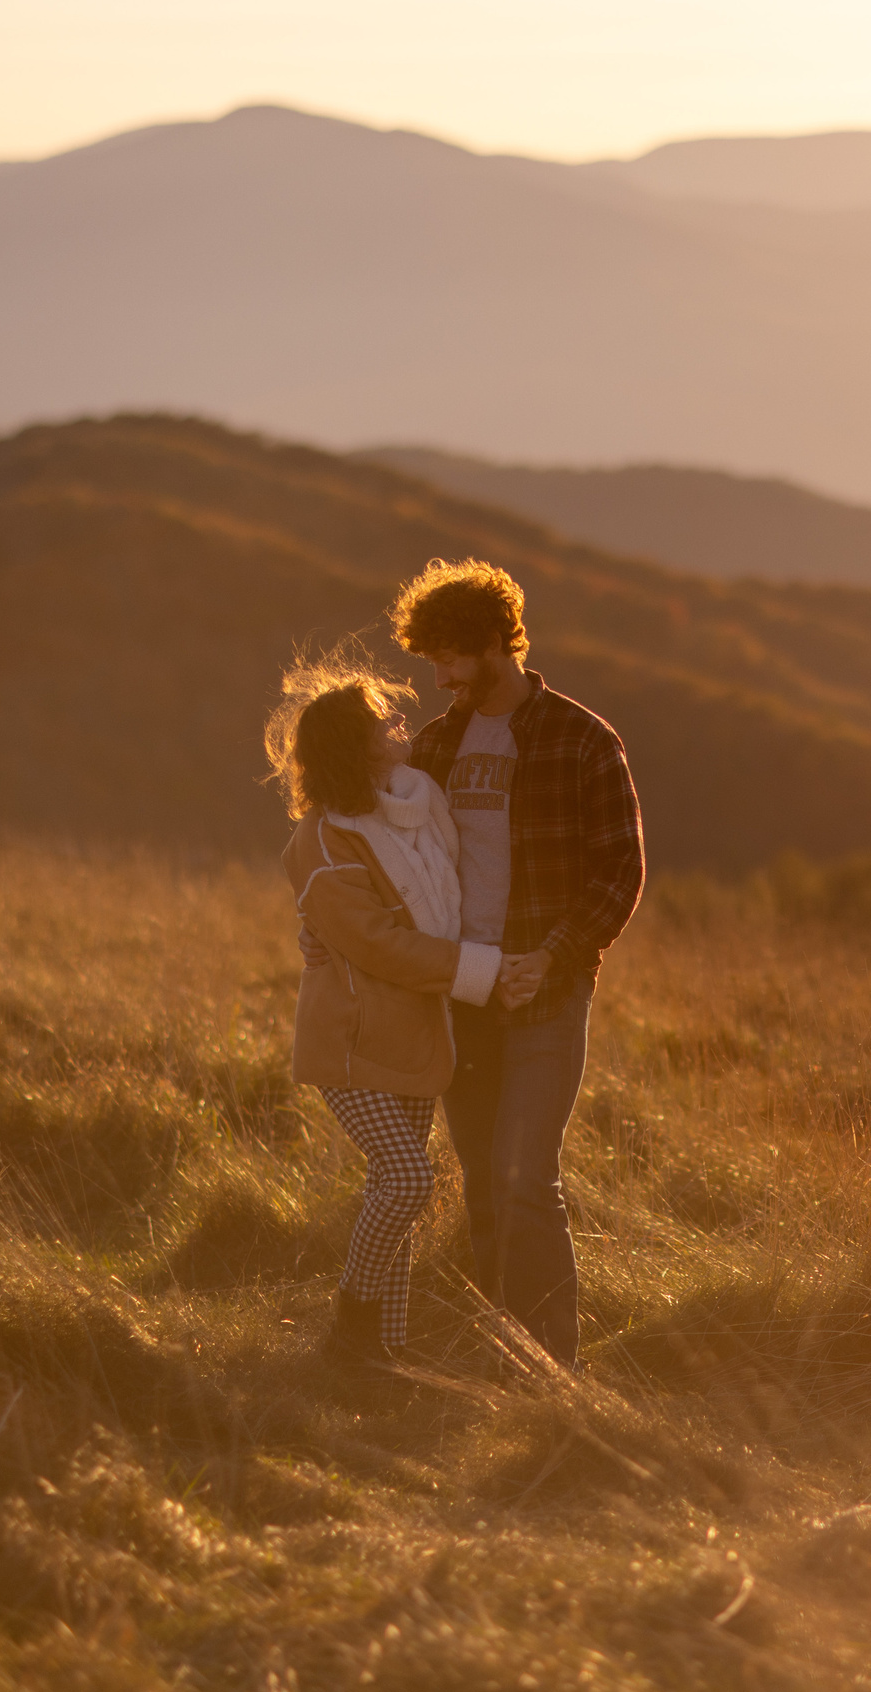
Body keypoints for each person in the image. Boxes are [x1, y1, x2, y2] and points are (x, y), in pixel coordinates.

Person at [305, 557, 644, 1370]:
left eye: (453, 658)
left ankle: (550, 1368)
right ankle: (500, 1350)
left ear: (499, 643)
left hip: (546, 993)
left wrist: (553, 956)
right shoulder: (435, 745)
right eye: (432, 660)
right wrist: (316, 919)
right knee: (487, 1186)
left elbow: (619, 872)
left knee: (529, 1179)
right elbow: (366, 840)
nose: (441, 677)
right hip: (460, 998)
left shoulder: (583, 739)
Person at [267, 656, 503, 1369]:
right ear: (353, 745)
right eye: (382, 720)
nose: (398, 724)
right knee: (406, 1180)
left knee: (393, 1195)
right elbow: (378, 944)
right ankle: (352, 1321)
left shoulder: (414, 809)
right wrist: (484, 973)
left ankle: (387, 1352)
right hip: (352, 1042)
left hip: (416, 1035)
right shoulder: (321, 840)